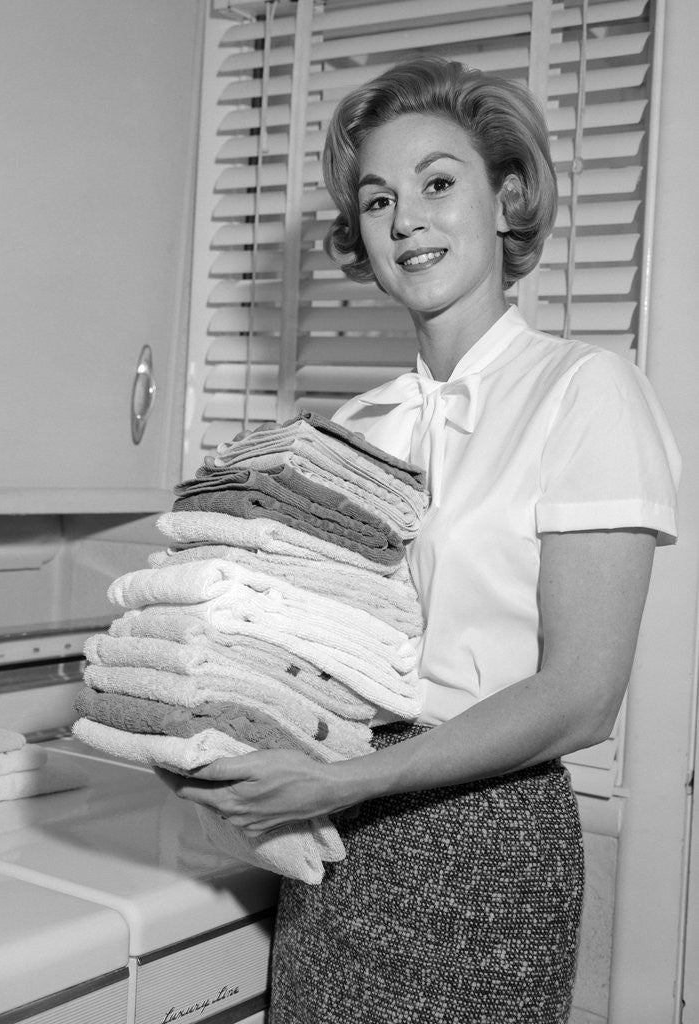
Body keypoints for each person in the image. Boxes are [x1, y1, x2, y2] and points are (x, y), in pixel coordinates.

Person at [158, 55, 681, 1022]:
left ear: (506, 199)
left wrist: (345, 778)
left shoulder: (585, 393)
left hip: (486, 841)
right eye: (378, 199)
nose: (406, 221)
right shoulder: (353, 428)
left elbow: (581, 696)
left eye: (438, 184)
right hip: (332, 840)